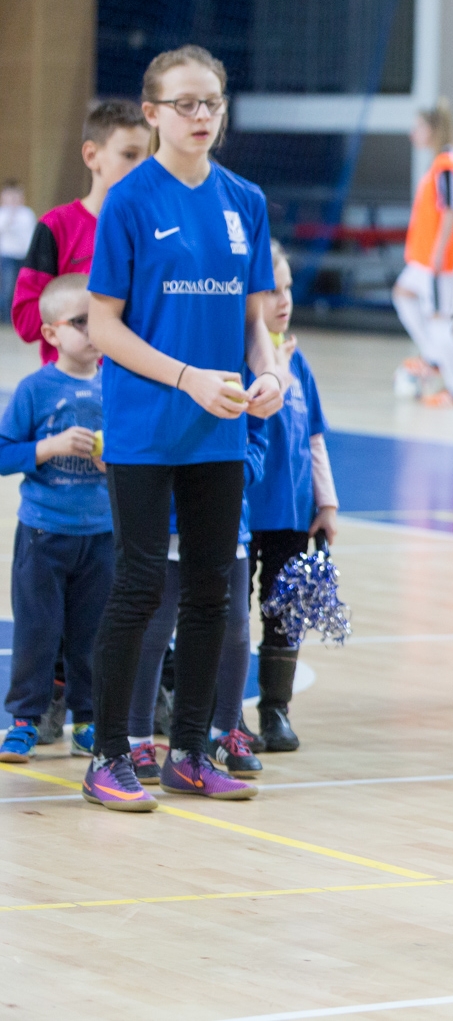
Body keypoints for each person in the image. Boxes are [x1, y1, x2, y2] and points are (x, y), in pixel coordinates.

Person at [83, 44, 285, 812]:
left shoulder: (244, 199)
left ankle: (192, 752)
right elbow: (104, 326)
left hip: (221, 429)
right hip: (147, 427)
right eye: (186, 104)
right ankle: (107, 756)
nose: (202, 117)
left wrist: (267, 373)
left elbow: (254, 318)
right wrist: (185, 378)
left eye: (213, 104)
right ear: (152, 112)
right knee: (138, 585)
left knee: (212, 593)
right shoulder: (131, 202)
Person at [0, 275, 112, 763]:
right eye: (80, 322)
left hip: (102, 535)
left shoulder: (118, 384)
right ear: (50, 333)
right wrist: (49, 447)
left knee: (93, 635)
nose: (92, 331)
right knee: (37, 633)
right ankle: (24, 720)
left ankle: (88, 721)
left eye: (99, 320)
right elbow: (4, 452)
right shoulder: (35, 389)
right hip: (44, 534)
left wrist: (118, 460)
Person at [126, 416, 269, 785]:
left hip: (227, 520)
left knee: (236, 625)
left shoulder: (236, 378)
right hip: (169, 523)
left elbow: (256, 435)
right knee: (156, 629)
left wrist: (237, 475)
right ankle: (138, 738)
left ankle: (225, 731)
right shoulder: (172, 379)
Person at [247, 239, 338, 751]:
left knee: (284, 610)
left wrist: (325, 504)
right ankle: (217, 713)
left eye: (286, 288)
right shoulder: (244, 358)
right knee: (230, 609)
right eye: (270, 290)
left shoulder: (298, 364)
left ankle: (275, 711)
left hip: (290, 511)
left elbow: (315, 437)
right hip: (240, 508)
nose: (283, 299)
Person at [12, 99, 149, 365]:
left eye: (149, 157)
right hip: (74, 393)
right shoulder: (56, 227)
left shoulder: (159, 231)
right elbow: (26, 322)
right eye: (130, 155)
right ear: (91, 156)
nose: (143, 167)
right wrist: (88, 304)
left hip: (138, 388)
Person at [394, 99, 453, 407]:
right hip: (427, 260)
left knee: (443, 321)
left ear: (432, 129)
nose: (412, 133)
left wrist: (440, 253)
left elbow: (452, 210)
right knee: (403, 293)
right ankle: (432, 356)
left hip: (442, 260)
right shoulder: (448, 160)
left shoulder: (449, 163)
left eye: (417, 128)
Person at [1, 180, 37, 311]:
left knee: (19, 286)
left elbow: (31, 235)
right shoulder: (2, 213)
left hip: (23, 255)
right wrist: (10, 217)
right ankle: (4, 316)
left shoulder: (27, 214)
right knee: (7, 287)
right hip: (7, 255)